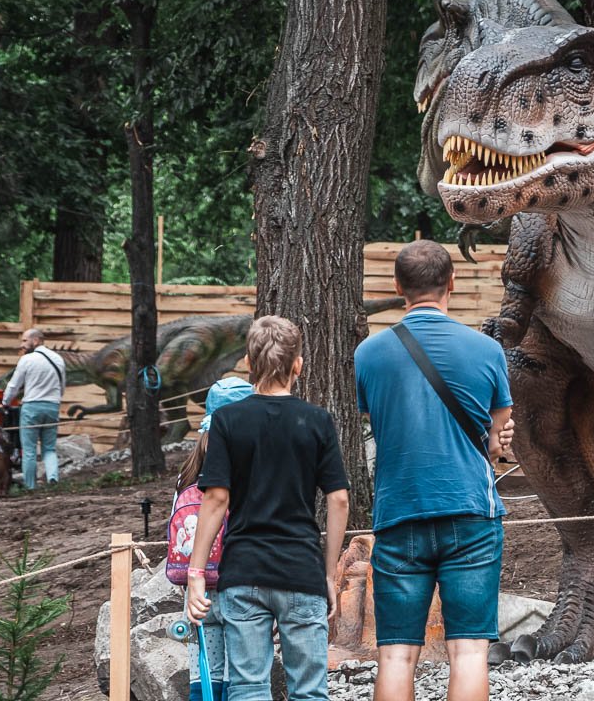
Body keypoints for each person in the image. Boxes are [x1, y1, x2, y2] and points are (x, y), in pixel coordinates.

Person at [354, 239, 515, 701]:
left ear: (398, 287)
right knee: (467, 652)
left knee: (396, 654)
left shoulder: (368, 354)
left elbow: (382, 420)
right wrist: (497, 441)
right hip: (470, 512)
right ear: (452, 283)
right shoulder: (487, 350)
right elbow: (496, 441)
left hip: (399, 512)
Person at [185, 316, 350, 701]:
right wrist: (329, 572)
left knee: (248, 687)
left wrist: (196, 571)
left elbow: (216, 498)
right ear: (298, 365)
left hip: (244, 571)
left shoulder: (227, 421)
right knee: (310, 691)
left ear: (247, 362)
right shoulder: (318, 421)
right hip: (301, 568)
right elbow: (338, 498)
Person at [176, 377, 254, 701]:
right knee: (240, 679)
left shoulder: (188, 473)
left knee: (204, 675)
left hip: (197, 590)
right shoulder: (250, 468)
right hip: (239, 585)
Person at [2, 328, 66, 489]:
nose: (22, 344)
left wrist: (5, 402)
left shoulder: (27, 360)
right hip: (52, 406)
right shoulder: (58, 359)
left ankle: (31, 486)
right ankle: (53, 478)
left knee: (29, 449)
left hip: (31, 407)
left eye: (25, 340)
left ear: (36, 340)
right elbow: (62, 386)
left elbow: (14, 385)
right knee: (49, 448)